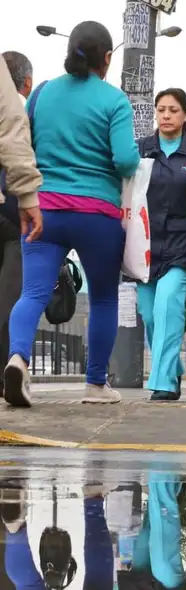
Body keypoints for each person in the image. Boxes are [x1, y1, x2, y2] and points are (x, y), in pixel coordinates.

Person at [4, 21, 138, 408]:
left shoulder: (42, 93)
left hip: (45, 210)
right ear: (107, 58)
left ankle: (17, 359)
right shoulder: (114, 101)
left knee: (32, 292)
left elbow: (23, 141)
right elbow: (126, 160)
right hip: (97, 215)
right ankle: (96, 384)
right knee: (103, 299)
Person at [136, 88, 186, 401]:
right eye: (161, 109)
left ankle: (164, 382)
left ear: (185, 115)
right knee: (149, 313)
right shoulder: (139, 150)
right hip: (144, 246)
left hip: (184, 246)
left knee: (168, 303)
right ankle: (175, 367)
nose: (166, 115)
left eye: (173, 110)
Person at [0, 52, 40, 401]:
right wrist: (30, 199)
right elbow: (17, 146)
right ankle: (7, 370)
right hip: (16, 216)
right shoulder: (24, 113)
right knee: (12, 297)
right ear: (26, 82)